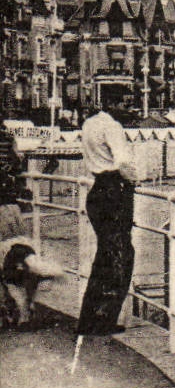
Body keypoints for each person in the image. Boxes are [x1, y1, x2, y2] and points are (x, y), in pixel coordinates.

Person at [74, 110, 139, 361]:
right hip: (115, 191)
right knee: (121, 255)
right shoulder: (112, 126)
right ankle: (105, 319)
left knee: (104, 254)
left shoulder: (89, 124)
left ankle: (88, 317)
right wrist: (134, 180)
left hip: (97, 191)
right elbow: (123, 162)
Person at [1, 233, 67, 330]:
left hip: (14, 260)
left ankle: (24, 316)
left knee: (33, 269)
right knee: (21, 297)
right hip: (13, 271)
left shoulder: (16, 253)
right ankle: (25, 316)